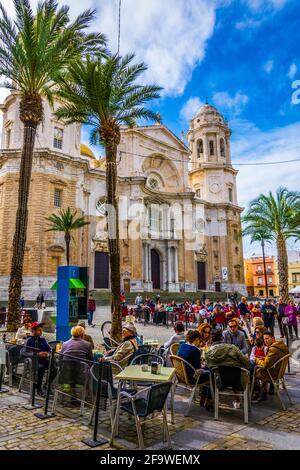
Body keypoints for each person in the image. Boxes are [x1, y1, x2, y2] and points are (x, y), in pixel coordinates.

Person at [205, 329, 251, 409]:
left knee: (210, 371)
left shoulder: (208, 352)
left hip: (219, 382)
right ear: (222, 338)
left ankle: (209, 399)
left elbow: (209, 367)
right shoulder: (233, 349)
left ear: (211, 339)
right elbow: (247, 362)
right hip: (238, 381)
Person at [253, 331, 289, 402]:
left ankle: (259, 393)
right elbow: (270, 360)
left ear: (273, 338)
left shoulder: (273, 349)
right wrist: (264, 359)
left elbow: (265, 365)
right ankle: (263, 392)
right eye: (264, 339)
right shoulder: (282, 345)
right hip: (279, 372)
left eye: (267, 338)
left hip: (272, 373)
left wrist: (256, 359)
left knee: (252, 373)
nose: (265, 341)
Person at [24, 322, 52, 396]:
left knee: (55, 365)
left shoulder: (42, 340)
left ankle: (46, 384)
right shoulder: (29, 341)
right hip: (33, 362)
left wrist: (47, 354)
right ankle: (38, 388)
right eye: (39, 330)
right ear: (33, 331)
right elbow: (24, 353)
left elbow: (50, 349)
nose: (41, 332)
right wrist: (37, 354)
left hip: (44, 360)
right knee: (41, 368)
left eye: (41, 330)